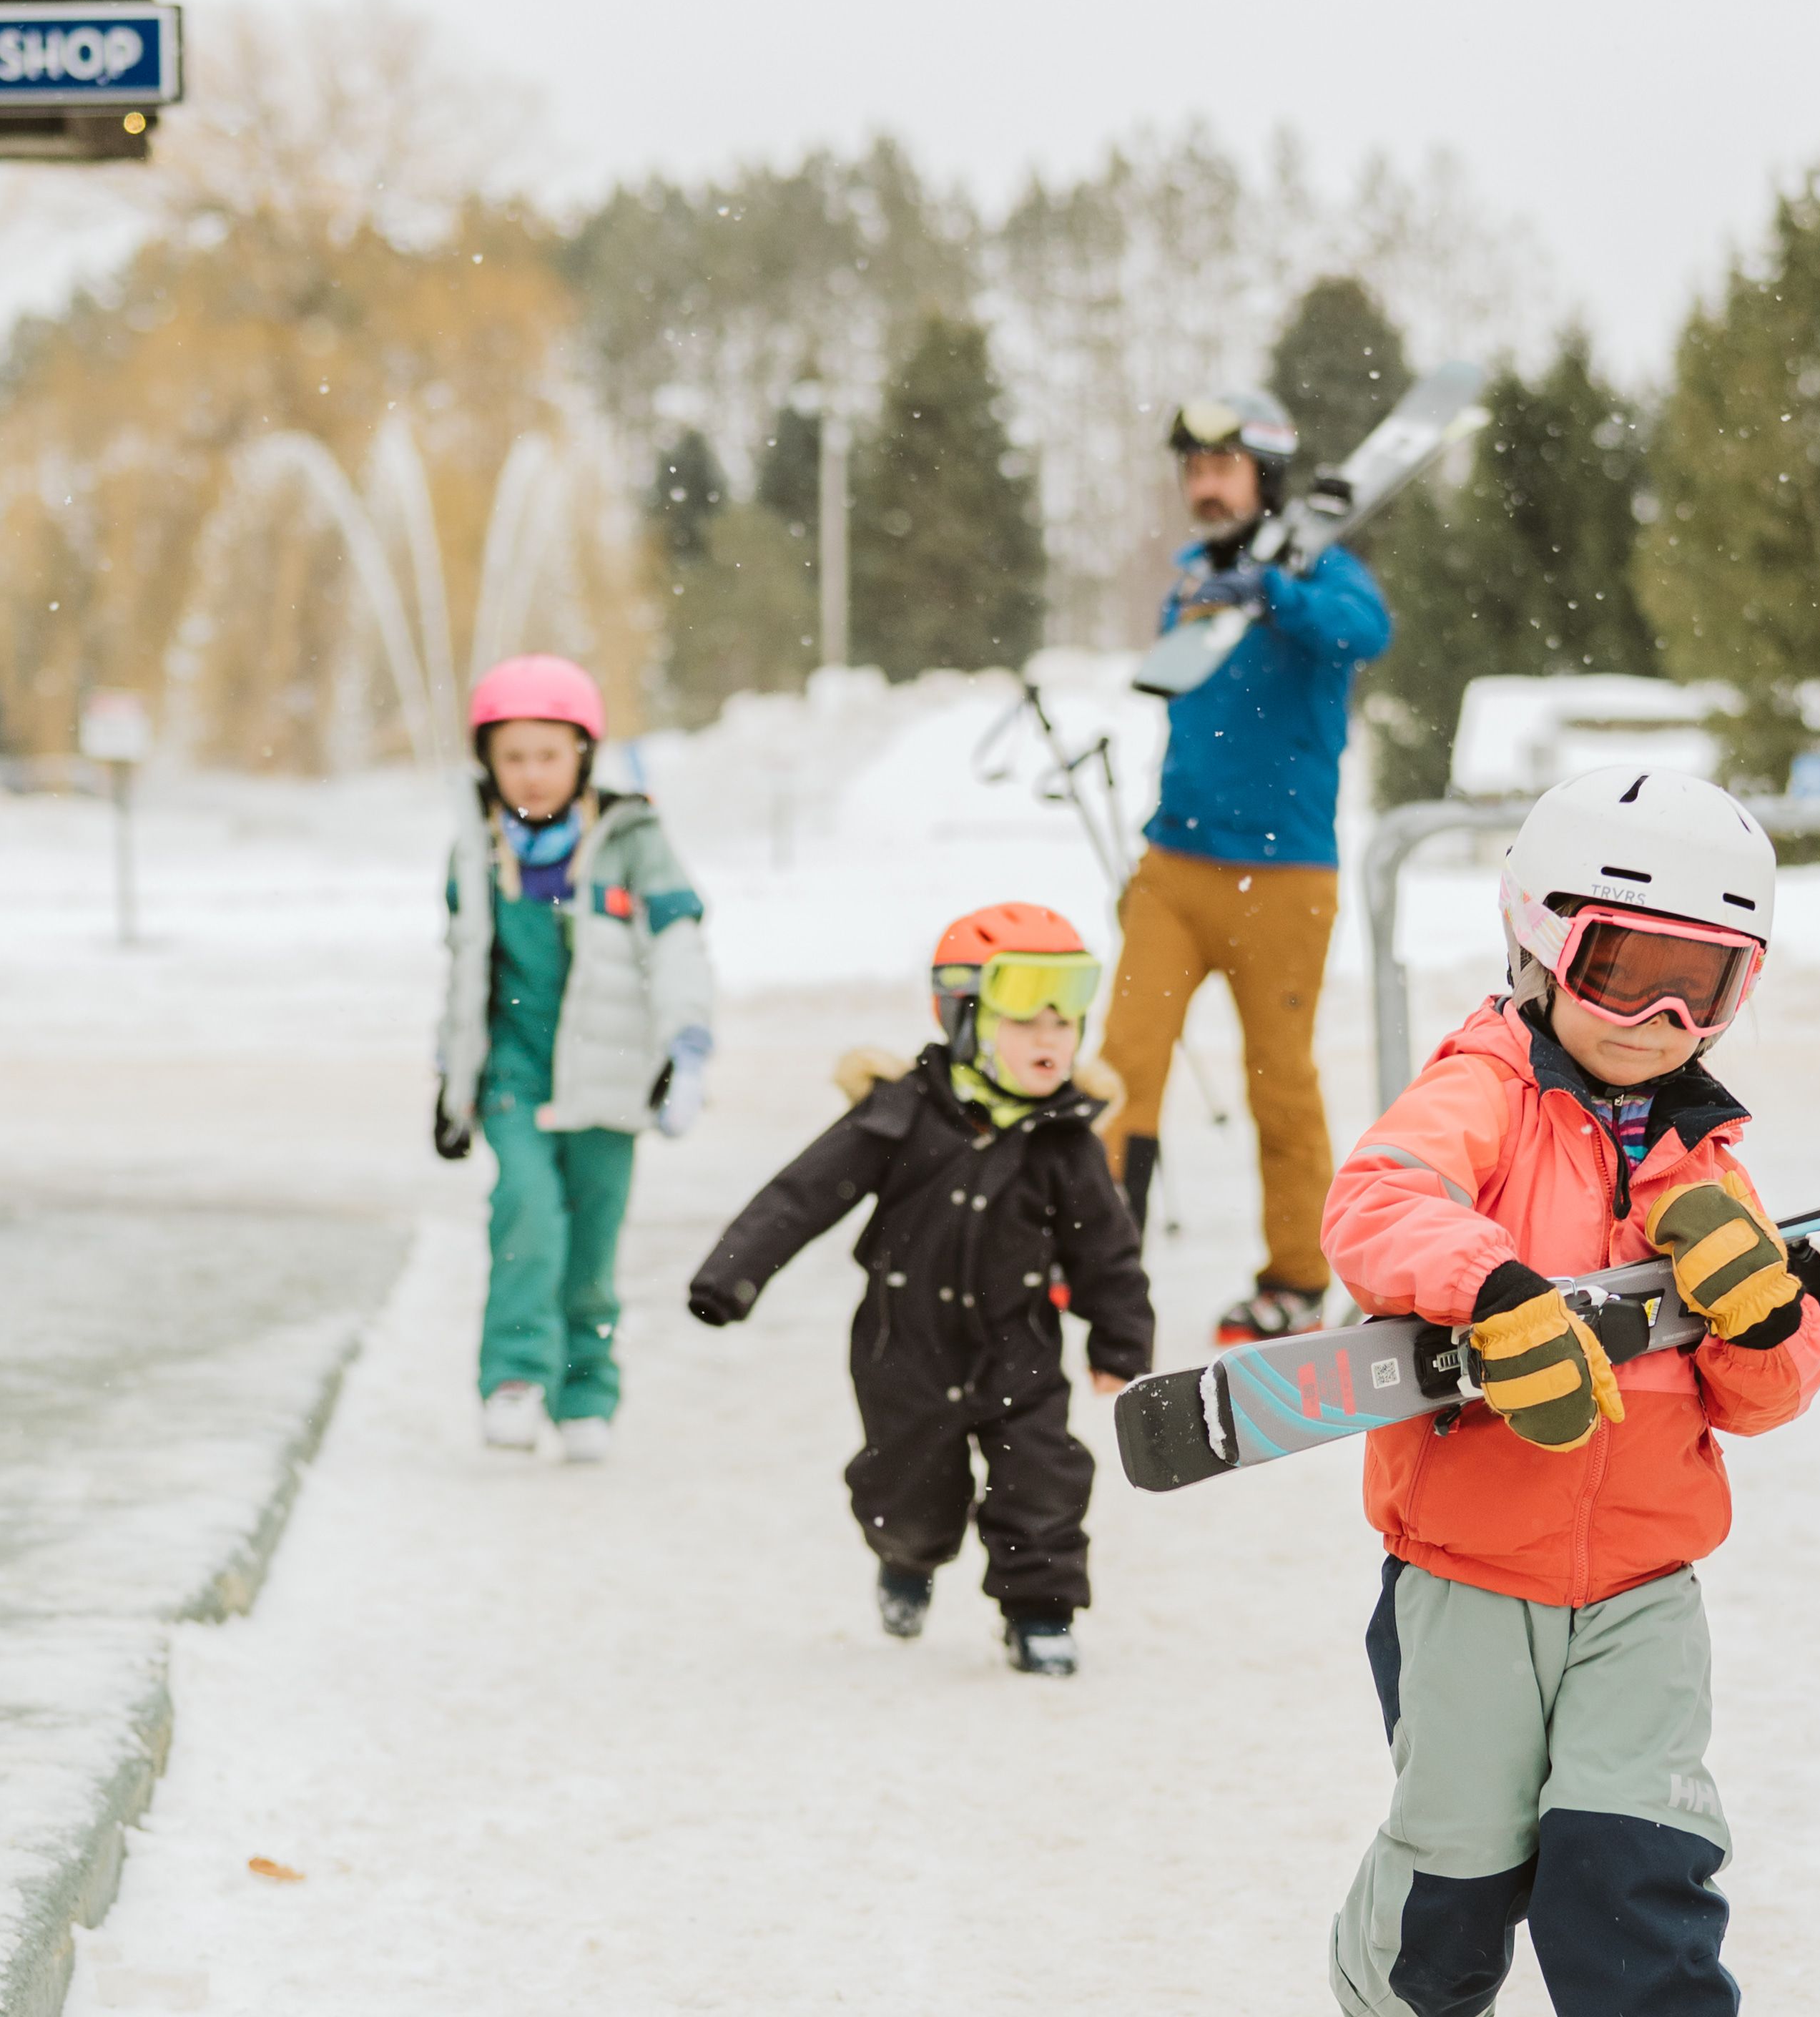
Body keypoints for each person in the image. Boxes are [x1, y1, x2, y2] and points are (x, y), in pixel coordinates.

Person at [1317, 766, 1820, 2017]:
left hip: (1643, 1587)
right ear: (1543, 944)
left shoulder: (1704, 1161)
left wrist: (1761, 1311)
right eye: (1625, 971)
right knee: (1465, 1857)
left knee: (1638, 1858)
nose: (1660, 1022)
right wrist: (1483, 1287)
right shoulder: (1479, 1089)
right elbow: (1376, 1200)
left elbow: (1774, 1395)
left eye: (1703, 989)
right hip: (1467, 1578)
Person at [686, 903, 1155, 1679]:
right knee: (909, 1493)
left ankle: (1040, 1612)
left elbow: (1108, 1253)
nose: (1052, 1040)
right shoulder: (898, 1114)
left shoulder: (1066, 1141)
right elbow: (801, 1196)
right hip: (903, 1350)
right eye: (1027, 1020)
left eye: (1065, 1022)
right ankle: (907, 1558)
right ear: (965, 1017)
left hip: (1019, 1352)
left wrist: (1120, 1339)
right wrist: (730, 1276)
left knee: (1043, 1480)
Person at [1098, 388, 1392, 1351]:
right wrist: (1223, 591)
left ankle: (1296, 1279)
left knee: (1279, 1082)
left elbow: (1365, 635)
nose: (1204, 487)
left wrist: (1277, 593)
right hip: (1173, 868)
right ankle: (1100, 1265)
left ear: (1264, 476)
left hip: (1285, 879)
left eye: (1222, 469)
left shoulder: (1327, 573)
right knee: (1121, 1068)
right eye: (1193, 470)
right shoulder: (1188, 575)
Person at [434, 654, 715, 1461]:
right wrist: (450, 1081)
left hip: (610, 1072)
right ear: (487, 760)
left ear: (583, 754)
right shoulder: (476, 851)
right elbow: (461, 968)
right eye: (513, 756)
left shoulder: (633, 840)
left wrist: (687, 1046)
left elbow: (678, 944)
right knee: (526, 1211)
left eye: (548, 754)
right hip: (513, 1075)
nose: (531, 773)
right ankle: (516, 1376)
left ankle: (586, 1388)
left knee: (592, 1240)